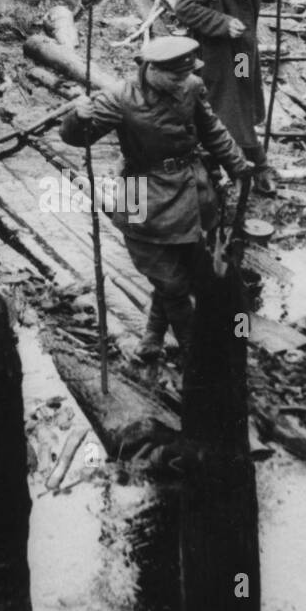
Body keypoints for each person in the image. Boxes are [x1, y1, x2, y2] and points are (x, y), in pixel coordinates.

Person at [60, 35, 253, 369]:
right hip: (138, 185)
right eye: (175, 77)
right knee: (165, 276)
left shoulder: (192, 85)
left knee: (179, 268)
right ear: (152, 69)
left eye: (186, 75)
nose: (183, 83)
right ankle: (196, 349)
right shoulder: (120, 98)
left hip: (190, 185)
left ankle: (152, 336)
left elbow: (212, 129)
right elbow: (79, 139)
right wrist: (79, 118)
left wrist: (237, 164)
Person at [173, 0, 282, 195]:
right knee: (225, 109)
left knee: (243, 100)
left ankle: (241, 165)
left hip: (242, 56)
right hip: (217, 58)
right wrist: (220, 22)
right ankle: (247, 166)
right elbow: (184, 8)